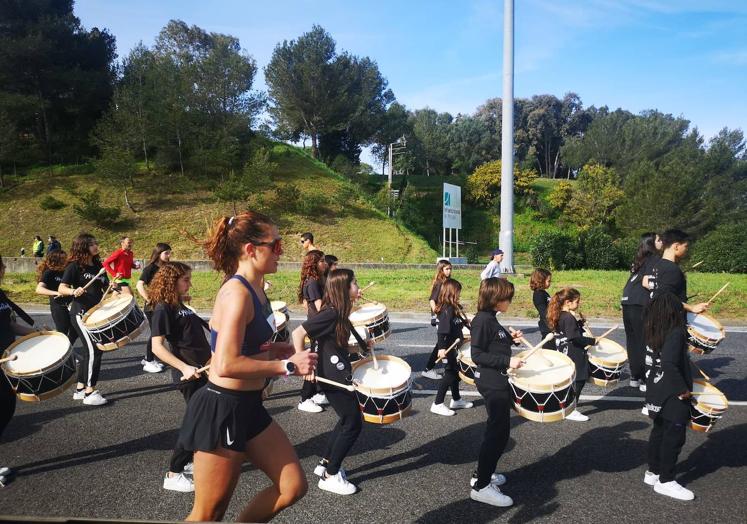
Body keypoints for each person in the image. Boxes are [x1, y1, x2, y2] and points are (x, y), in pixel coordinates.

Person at [177, 211, 316, 522]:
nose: (282, 251)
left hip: (249, 406)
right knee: (208, 515)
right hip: (223, 409)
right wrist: (287, 366)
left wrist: (270, 348)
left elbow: (244, 344)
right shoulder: (237, 292)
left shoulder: (258, 289)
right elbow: (225, 363)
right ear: (251, 250)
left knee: (292, 486)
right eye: (276, 245)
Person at [291, 268, 370, 495]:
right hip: (330, 376)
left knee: (347, 419)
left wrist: (357, 348)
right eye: (355, 283)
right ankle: (330, 475)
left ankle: (325, 463)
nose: (358, 287)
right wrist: (303, 362)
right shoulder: (331, 313)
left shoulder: (340, 313)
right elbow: (298, 334)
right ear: (344, 289)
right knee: (353, 422)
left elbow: (333, 343)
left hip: (337, 372)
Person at [149, 261, 211, 493]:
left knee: (206, 419)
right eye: (186, 279)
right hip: (189, 375)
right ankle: (174, 473)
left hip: (203, 369)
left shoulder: (180, 304)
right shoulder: (163, 308)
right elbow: (157, 347)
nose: (190, 283)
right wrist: (184, 367)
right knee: (195, 422)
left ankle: (195, 459)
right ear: (171, 281)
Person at [469, 277, 524, 507]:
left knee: (498, 433)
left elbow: (495, 343)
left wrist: (512, 341)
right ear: (496, 299)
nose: (510, 301)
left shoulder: (492, 319)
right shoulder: (482, 320)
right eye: (507, 297)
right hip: (491, 383)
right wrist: (507, 361)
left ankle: (482, 473)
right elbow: (477, 355)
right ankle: (481, 487)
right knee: (497, 435)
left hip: (498, 380)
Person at [642, 292, 695, 501]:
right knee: (674, 436)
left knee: (659, 431)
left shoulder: (653, 330)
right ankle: (666, 480)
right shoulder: (676, 332)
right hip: (673, 392)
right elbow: (669, 363)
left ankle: (653, 472)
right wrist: (683, 389)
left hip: (656, 388)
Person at [58, 233, 110, 406]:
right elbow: (62, 287)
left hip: (96, 315)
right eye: (92, 244)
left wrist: (113, 287)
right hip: (81, 314)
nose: (96, 246)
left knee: (92, 351)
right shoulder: (74, 267)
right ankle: (90, 392)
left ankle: (80, 389)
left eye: (96, 243)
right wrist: (74, 291)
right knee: (95, 351)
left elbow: (105, 288)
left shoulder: (98, 266)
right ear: (83, 247)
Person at [0, 254, 38, 488]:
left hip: (7, 361)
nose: (4, 268)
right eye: (1, 265)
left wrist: (35, 335)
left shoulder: (0, 294)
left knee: (7, 407)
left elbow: (10, 324)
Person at [547, 287, 599, 422]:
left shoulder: (560, 314)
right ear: (568, 302)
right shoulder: (569, 317)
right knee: (579, 380)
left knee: (571, 381)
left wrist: (579, 323)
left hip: (564, 351)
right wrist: (592, 341)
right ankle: (571, 409)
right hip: (574, 353)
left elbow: (568, 330)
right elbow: (574, 338)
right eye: (577, 301)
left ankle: (565, 404)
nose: (578, 304)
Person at [621, 232, 661, 391]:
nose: (661, 242)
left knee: (632, 341)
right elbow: (646, 282)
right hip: (640, 303)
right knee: (644, 341)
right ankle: (645, 378)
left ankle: (635, 377)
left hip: (627, 301)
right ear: (651, 243)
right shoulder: (655, 259)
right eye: (658, 239)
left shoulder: (639, 259)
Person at [430, 279, 473, 416]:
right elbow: (441, 331)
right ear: (451, 293)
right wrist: (441, 349)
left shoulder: (454, 308)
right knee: (450, 374)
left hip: (455, 346)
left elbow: (456, 322)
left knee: (455, 373)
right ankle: (437, 403)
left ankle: (456, 399)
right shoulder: (446, 309)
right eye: (458, 292)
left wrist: (465, 322)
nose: (459, 295)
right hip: (448, 347)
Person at [643, 229, 709, 315]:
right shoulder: (672, 269)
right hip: (670, 321)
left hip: (656, 317)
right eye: (685, 246)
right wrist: (692, 308)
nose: (686, 250)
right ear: (676, 246)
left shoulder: (656, 265)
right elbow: (666, 298)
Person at [297, 249, 329, 412]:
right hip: (317, 327)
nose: (325, 263)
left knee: (321, 359)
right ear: (314, 264)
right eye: (322, 261)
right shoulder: (313, 282)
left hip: (317, 325)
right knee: (314, 361)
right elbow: (319, 307)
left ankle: (318, 391)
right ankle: (304, 399)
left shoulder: (316, 279)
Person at [136, 242, 173, 374]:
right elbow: (139, 285)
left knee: (161, 333)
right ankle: (148, 360)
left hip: (165, 305)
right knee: (156, 334)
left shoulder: (168, 267)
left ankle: (151, 358)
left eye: (170, 252)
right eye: (166, 253)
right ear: (158, 253)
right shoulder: (150, 268)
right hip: (153, 307)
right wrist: (149, 299)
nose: (169, 255)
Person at [35, 250, 76, 344]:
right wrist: (56, 293)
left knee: (76, 328)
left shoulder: (67, 271)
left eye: (65, 258)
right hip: (58, 306)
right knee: (63, 330)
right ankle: (63, 351)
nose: (66, 260)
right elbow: (39, 289)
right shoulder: (49, 273)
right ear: (55, 260)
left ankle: (69, 347)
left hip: (70, 303)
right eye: (62, 259)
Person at [422, 260, 452, 380]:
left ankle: (432, 368)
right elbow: (432, 299)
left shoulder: (446, 282)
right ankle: (429, 369)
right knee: (442, 343)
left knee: (441, 343)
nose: (449, 271)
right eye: (447, 269)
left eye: (450, 269)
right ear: (441, 270)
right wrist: (436, 312)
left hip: (446, 316)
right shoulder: (439, 283)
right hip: (441, 317)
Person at [530, 268, 554, 349]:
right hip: (547, 326)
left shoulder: (543, 293)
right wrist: (552, 325)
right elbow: (543, 312)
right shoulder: (538, 295)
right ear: (541, 281)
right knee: (548, 349)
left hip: (549, 324)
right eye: (548, 281)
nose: (550, 283)